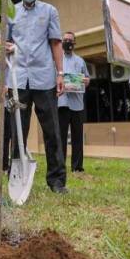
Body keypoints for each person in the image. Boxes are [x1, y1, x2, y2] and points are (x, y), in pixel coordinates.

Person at [0, 0, 68, 193]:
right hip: (17, 79)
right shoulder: (11, 11)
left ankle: (56, 180)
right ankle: (17, 177)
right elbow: (3, 43)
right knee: (18, 130)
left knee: (52, 131)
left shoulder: (49, 11)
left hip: (44, 77)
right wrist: (2, 77)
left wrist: (60, 74)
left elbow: (56, 43)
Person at [57, 32, 90, 173]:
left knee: (77, 137)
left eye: (70, 40)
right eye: (65, 40)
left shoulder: (80, 61)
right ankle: (60, 166)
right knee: (61, 137)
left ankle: (77, 167)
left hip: (77, 105)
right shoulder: (57, 60)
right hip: (62, 103)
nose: (67, 42)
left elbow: (87, 79)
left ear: (74, 43)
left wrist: (86, 81)